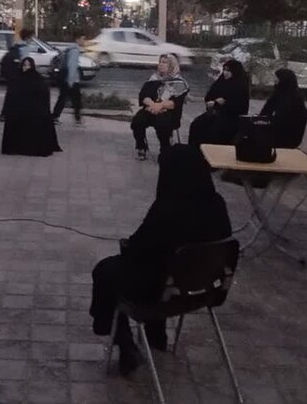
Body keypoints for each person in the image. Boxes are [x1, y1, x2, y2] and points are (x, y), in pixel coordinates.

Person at [90, 145, 232, 375]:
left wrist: (127, 246)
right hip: (203, 290)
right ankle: (156, 335)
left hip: (161, 291)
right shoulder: (217, 203)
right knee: (159, 270)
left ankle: (125, 343)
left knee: (106, 271)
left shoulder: (167, 208)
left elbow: (137, 248)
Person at [131, 54, 189, 160]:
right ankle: (141, 147)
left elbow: (175, 103)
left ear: (172, 65)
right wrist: (153, 105)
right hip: (151, 109)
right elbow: (144, 96)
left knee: (162, 123)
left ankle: (165, 150)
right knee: (137, 121)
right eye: (160, 62)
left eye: (164, 62)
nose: (161, 64)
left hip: (170, 112)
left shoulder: (179, 83)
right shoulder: (153, 79)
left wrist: (160, 106)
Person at [1, 57, 62, 157]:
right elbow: (10, 96)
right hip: (19, 110)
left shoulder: (38, 79)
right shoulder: (16, 79)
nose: (26, 67)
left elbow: (44, 95)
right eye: (24, 65)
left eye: (29, 65)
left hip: (34, 110)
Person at [188, 59, 250, 147]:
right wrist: (215, 103)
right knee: (197, 124)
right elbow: (209, 96)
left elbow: (238, 105)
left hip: (232, 118)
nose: (225, 72)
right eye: (224, 70)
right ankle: (195, 151)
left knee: (216, 130)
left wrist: (219, 103)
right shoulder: (221, 81)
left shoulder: (240, 84)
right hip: (216, 113)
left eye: (229, 70)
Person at [258, 69, 307, 148]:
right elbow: (264, 114)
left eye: (277, 80)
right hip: (273, 134)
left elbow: (287, 124)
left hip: (287, 139)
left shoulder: (296, 101)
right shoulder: (277, 95)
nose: (275, 82)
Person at [52, 28, 85, 126]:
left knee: (63, 98)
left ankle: (55, 116)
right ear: (77, 39)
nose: (84, 41)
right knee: (76, 100)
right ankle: (77, 120)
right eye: (83, 39)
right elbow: (72, 66)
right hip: (72, 80)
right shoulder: (74, 51)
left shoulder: (70, 49)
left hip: (66, 78)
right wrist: (71, 81)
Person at [0, 28, 34, 122]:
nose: (32, 40)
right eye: (31, 38)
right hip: (19, 75)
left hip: (12, 74)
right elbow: (25, 63)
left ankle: (5, 114)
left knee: (11, 94)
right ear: (28, 38)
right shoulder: (24, 48)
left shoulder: (16, 45)